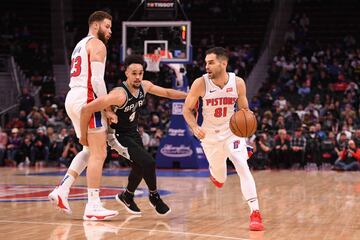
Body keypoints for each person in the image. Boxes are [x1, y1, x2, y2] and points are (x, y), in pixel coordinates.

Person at [79, 54, 187, 216]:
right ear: (126, 74)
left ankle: (127, 196)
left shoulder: (145, 86)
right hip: (118, 136)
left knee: (139, 167)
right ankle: (154, 196)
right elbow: (86, 109)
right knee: (148, 162)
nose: (137, 77)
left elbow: (166, 92)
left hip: (132, 132)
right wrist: (83, 135)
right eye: (134, 73)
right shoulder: (119, 94)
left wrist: (189, 96)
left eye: (140, 73)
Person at [182, 47, 264, 231]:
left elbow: (244, 111)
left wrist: (246, 128)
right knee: (220, 178)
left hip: (231, 132)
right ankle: (217, 172)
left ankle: (255, 213)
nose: (207, 66)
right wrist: (194, 127)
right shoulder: (200, 83)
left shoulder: (238, 83)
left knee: (241, 164)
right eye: (205, 63)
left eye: (211, 62)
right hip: (209, 136)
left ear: (223, 63)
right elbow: (186, 109)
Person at [48, 11, 119, 220]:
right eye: (107, 26)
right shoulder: (97, 45)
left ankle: (62, 189)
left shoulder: (79, 44)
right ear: (96, 26)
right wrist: (107, 107)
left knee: (89, 150)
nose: (110, 31)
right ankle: (93, 205)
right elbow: (97, 80)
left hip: (73, 98)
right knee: (100, 153)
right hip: (88, 99)